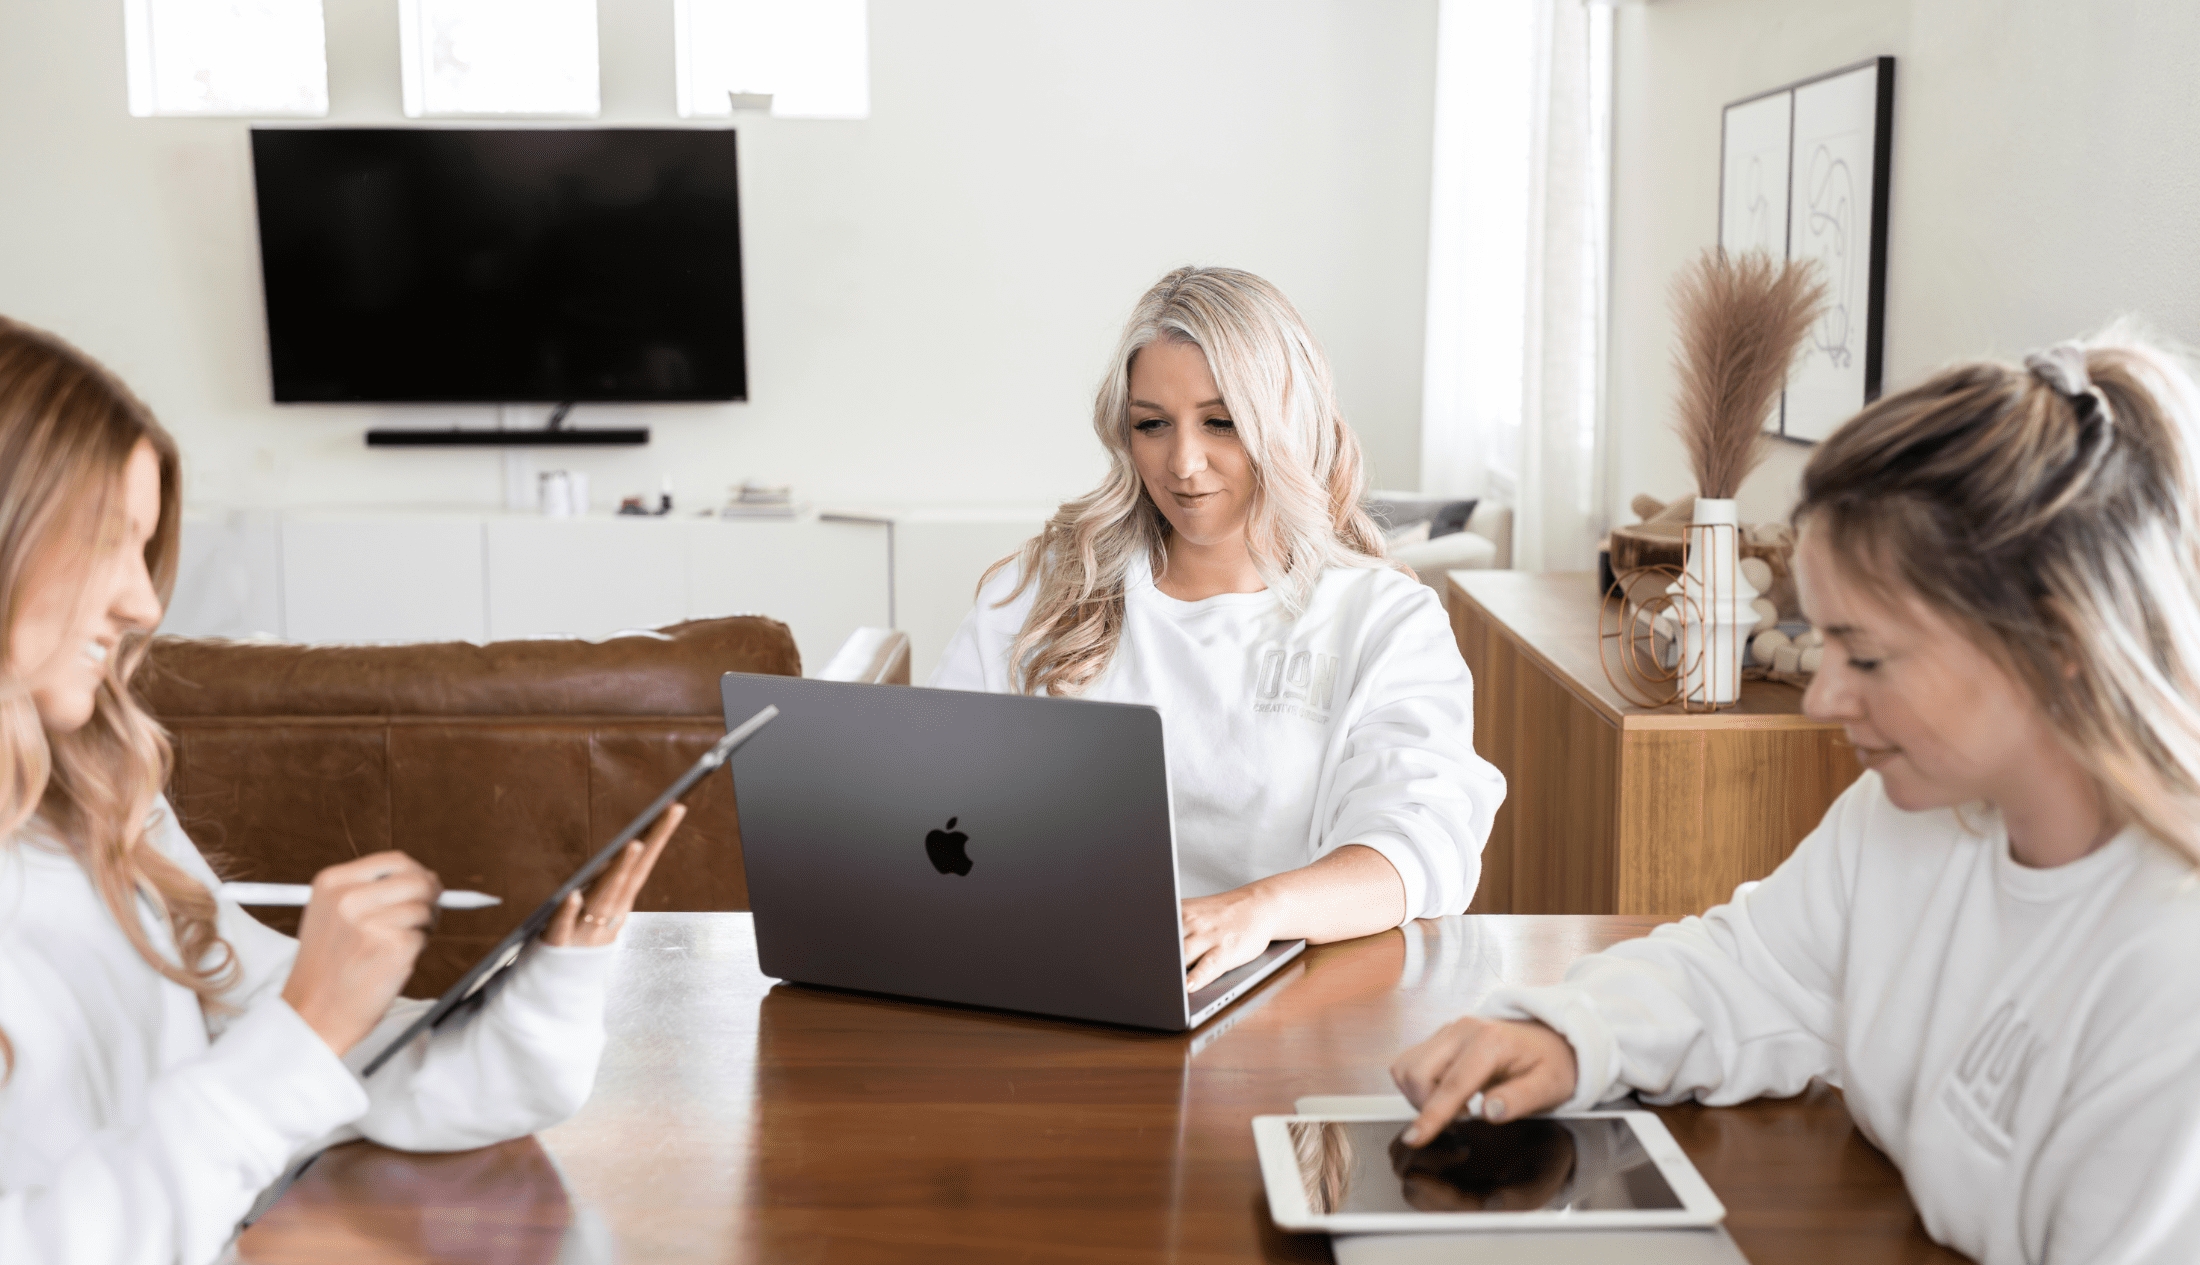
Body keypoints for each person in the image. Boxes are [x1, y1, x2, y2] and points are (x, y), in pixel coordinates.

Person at [1388, 331, 2200, 1264]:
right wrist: (1575, 1036)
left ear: (2058, 639)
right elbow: (1754, 967)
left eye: (1869, 656)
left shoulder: (2171, 973)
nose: (1824, 696)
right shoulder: (1910, 814)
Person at [0, 316, 682, 1263]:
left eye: (144, 548)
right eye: (106, 540)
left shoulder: (104, 807)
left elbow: (329, 1077)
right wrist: (303, 1026)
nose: (143, 604)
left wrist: (556, 977)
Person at [931, 266, 1505, 989]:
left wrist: (1253, 912)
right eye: (1153, 424)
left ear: (1282, 421)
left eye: (1221, 421)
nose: (1183, 463)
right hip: (1049, 983)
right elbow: (933, 801)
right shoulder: (1042, 592)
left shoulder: (1382, 620)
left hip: (1292, 1001)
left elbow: (1425, 845)